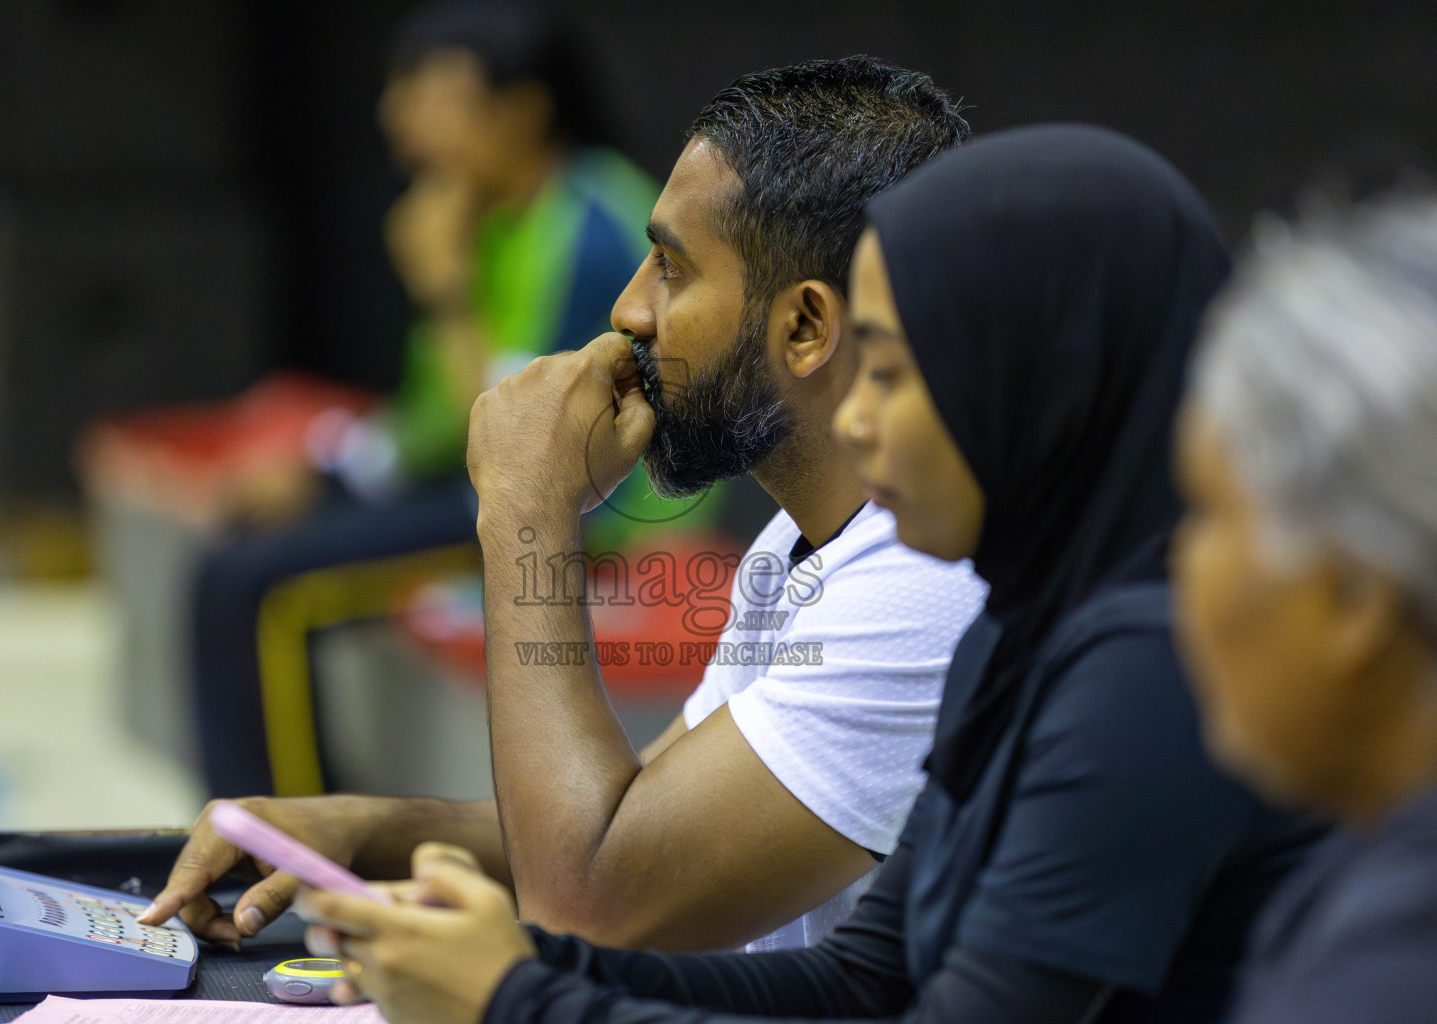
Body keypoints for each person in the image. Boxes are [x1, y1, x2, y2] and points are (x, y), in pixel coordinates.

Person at [290, 125, 1325, 1024]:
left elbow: (602, 888)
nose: (860, 416)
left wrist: (526, 508)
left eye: (899, 369)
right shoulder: (1020, 624)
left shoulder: (1133, 662)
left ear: (1038, 385)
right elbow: (864, 982)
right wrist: (497, 949)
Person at [145, 57, 986, 953]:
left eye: (670, 266)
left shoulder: (923, 585)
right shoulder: (803, 543)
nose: (632, 309)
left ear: (807, 328)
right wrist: (363, 828)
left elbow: (593, 900)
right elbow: (639, 819)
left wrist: (526, 508)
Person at [189, 1, 682, 801]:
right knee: (230, 551)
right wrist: (323, 470)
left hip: (588, 510)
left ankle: (293, 857)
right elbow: (432, 420)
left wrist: (446, 292)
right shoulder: (488, 210)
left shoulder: (588, 227)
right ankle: (249, 822)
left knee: (264, 588)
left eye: (430, 95)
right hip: (482, 479)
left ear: (522, 109)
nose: (398, 118)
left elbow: (525, 440)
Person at [1173, 198, 1437, 1023]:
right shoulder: (1366, 874)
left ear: (1357, 593)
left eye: (1209, 511)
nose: (1179, 562)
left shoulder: (1383, 979)